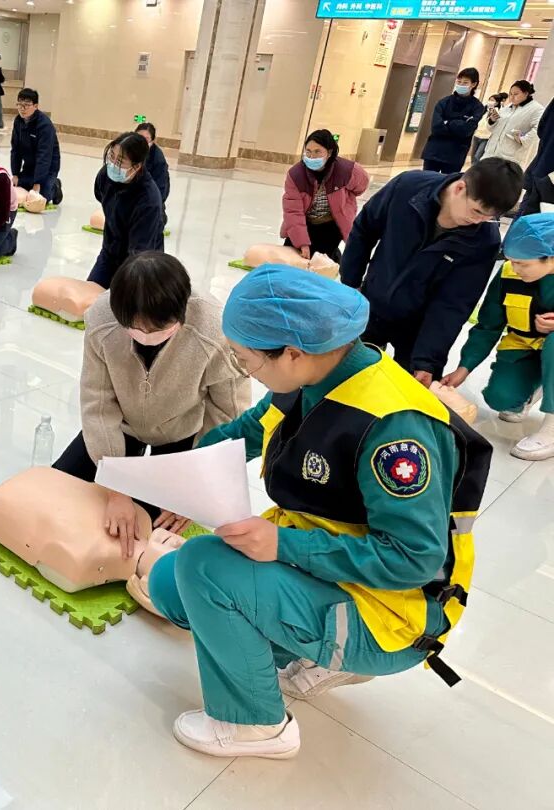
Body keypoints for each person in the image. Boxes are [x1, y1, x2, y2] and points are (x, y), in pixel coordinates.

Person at [146, 263, 491, 760]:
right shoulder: (313, 377)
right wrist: (181, 478)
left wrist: (282, 546)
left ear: (291, 352)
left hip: (391, 611)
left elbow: (413, 560)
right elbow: (247, 430)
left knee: (204, 566)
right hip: (323, 564)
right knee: (169, 584)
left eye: (247, 362)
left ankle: (257, 725)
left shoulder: (395, 430)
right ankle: (286, 639)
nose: (247, 372)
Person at [54, 251, 249, 545]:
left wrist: (194, 483)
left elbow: (227, 415)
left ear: (181, 314)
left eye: (156, 329)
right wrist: (116, 489)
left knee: (152, 529)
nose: (144, 335)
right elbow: (98, 403)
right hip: (123, 425)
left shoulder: (213, 329)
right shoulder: (101, 318)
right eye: (134, 328)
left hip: (180, 433)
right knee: (59, 490)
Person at [340, 158, 523, 384]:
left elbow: (454, 303)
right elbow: (363, 231)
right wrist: (350, 286)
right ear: (460, 187)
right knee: (347, 379)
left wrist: (427, 360)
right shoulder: (407, 188)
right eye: (476, 211)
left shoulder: (484, 240)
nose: (479, 221)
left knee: (406, 396)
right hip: (371, 304)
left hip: (419, 328)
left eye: (489, 217)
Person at [443, 214, 554, 460]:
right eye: (512, 261)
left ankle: (551, 429)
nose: (515, 269)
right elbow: (488, 325)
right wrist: (465, 367)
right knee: (501, 398)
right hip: (525, 347)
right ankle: (537, 385)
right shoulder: (508, 274)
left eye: (523, 264)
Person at [281, 128, 370, 263]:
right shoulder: (296, 175)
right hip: (304, 221)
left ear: (329, 152)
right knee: (292, 258)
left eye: (317, 152)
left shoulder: (348, 171)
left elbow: (361, 186)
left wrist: (345, 202)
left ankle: (334, 255)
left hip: (331, 223)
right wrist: (302, 243)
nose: (311, 157)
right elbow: (293, 211)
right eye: (308, 151)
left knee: (319, 261)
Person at [87, 132, 163, 289]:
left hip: (141, 263)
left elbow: (139, 254)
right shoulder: (105, 176)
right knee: (91, 297)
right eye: (112, 156)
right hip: (109, 252)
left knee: (120, 306)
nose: (113, 164)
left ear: (137, 166)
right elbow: (100, 196)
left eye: (120, 161)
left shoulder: (148, 200)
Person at [421, 67, 486, 174]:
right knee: (428, 183)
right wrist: (459, 123)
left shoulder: (477, 107)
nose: (460, 85)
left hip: (455, 155)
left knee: (448, 185)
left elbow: (466, 130)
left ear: (473, 84)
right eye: (459, 82)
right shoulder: (444, 102)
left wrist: (448, 122)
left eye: (465, 83)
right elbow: (436, 127)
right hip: (434, 152)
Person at [10, 88, 62, 204]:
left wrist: (37, 183)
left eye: (27, 105)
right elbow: (15, 150)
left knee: (41, 197)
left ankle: (55, 187)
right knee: (20, 188)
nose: (22, 109)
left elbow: (44, 155)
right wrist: (15, 174)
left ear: (35, 106)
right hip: (30, 165)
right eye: (19, 104)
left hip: (48, 167)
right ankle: (31, 181)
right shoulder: (18, 121)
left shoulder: (45, 125)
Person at [482, 80, 544, 171]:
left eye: (516, 94)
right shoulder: (507, 108)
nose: (511, 97)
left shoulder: (536, 109)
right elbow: (493, 129)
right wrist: (492, 121)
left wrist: (522, 139)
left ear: (526, 93)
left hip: (510, 157)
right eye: (510, 94)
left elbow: (538, 129)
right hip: (490, 153)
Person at [135, 122, 170, 226]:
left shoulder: (158, 159)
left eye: (146, 139)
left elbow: (161, 189)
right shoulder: (126, 150)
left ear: (152, 141)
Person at [472, 92, 507, 163]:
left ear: (497, 103)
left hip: (486, 137)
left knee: (478, 156)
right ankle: (472, 170)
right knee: (473, 156)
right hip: (477, 135)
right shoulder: (485, 110)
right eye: (490, 99)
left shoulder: (499, 112)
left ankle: (476, 172)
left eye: (493, 100)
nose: (490, 101)